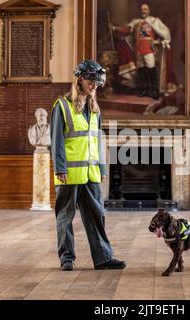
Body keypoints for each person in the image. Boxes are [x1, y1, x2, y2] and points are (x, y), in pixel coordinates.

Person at [50, 59, 126, 271]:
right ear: (80, 79)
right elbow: (56, 141)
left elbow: (98, 140)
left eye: (97, 83)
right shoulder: (62, 106)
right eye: (91, 81)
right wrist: (59, 168)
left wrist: (102, 168)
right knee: (66, 217)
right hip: (69, 173)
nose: (95, 86)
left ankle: (103, 258)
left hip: (91, 173)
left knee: (97, 215)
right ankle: (67, 258)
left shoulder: (95, 109)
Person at [109, 3, 176, 99]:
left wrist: (161, 41)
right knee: (142, 69)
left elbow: (165, 33)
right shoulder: (136, 22)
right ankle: (144, 90)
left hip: (149, 49)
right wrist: (114, 28)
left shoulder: (154, 21)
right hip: (139, 50)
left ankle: (153, 91)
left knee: (150, 69)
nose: (143, 11)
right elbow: (126, 30)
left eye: (145, 9)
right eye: (142, 9)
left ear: (148, 10)